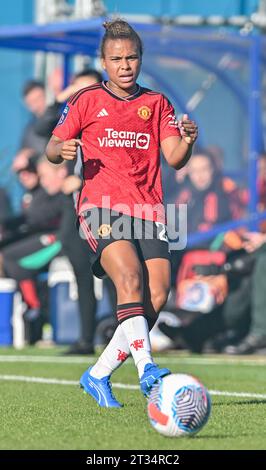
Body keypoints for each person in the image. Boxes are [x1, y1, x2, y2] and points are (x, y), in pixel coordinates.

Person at [46, 19, 198, 408]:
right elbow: (53, 146)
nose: (125, 65)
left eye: (131, 57)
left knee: (158, 294)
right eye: (117, 59)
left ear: (141, 59)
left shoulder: (157, 103)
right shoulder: (86, 100)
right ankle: (148, 369)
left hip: (149, 208)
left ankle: (97, 373)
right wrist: (59, 152)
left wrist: (188, 141)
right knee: (129, 278)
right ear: (103, 62)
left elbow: (175, 159)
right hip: (100, 207)